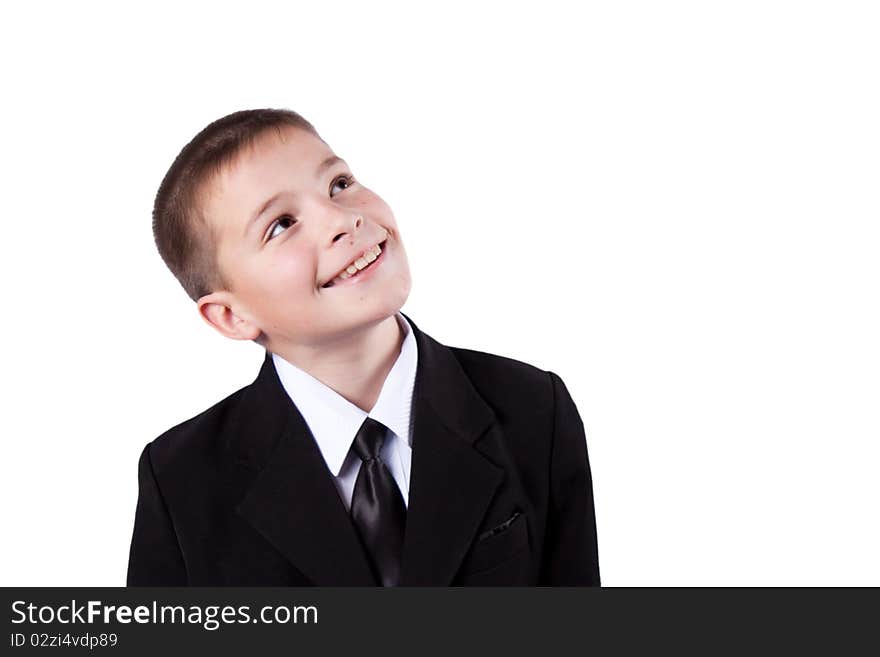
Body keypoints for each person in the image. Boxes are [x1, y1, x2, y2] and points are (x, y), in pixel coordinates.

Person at [126, 108, 600, 586]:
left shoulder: (533, 407)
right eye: (282, 224)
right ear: (232, 316)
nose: (342, 220)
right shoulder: (181, 479)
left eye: (338, 184)